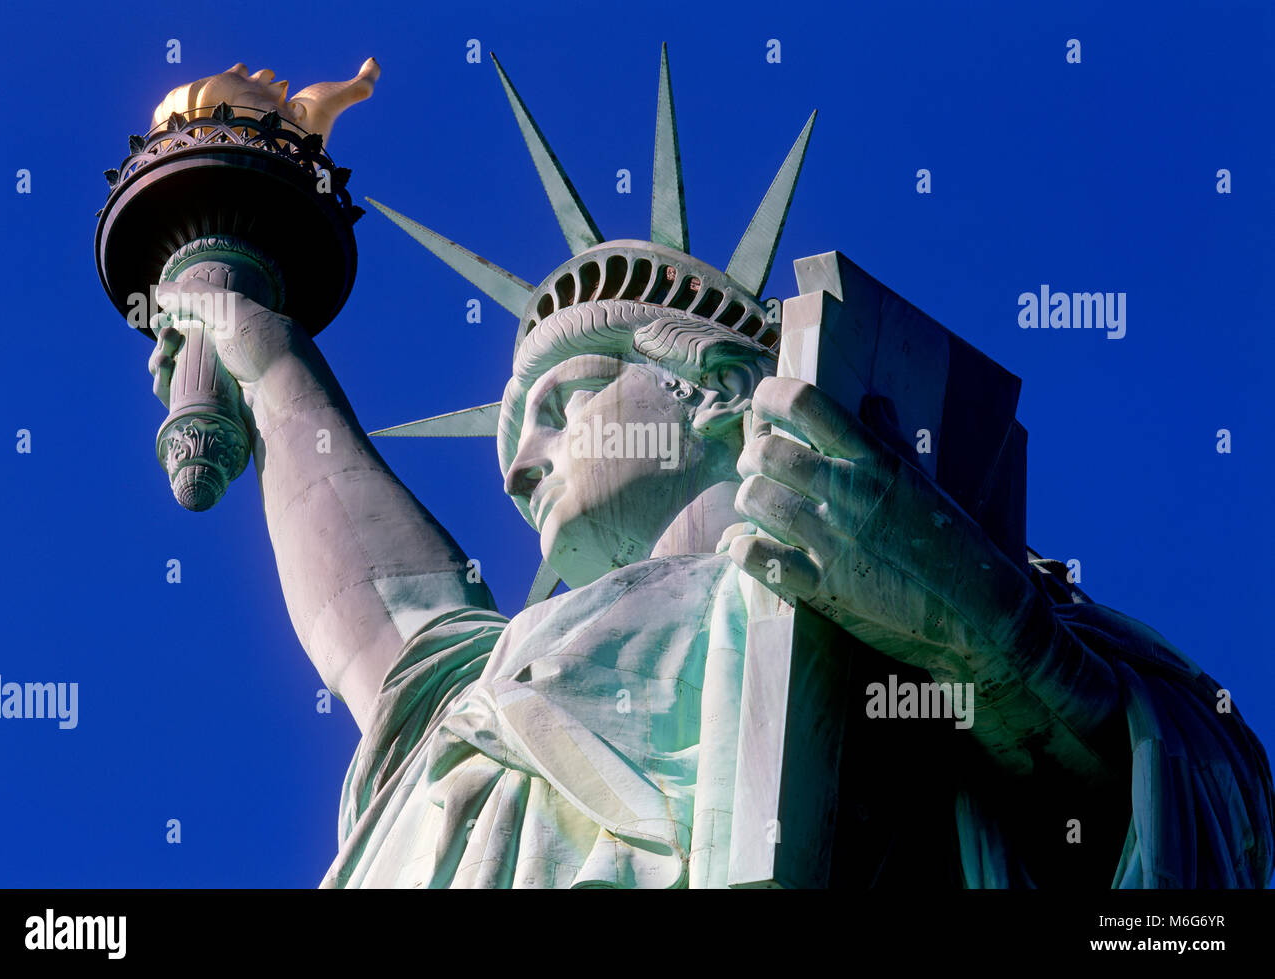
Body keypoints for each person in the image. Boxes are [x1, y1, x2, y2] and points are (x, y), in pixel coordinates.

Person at [148, 282, 1273, 888]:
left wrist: (982, 635)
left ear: (719, 388)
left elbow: (1191, 804)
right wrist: (269, 362)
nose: (515, 461)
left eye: (563, 400)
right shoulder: (489, 685)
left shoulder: (941, 566)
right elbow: (390, 624)